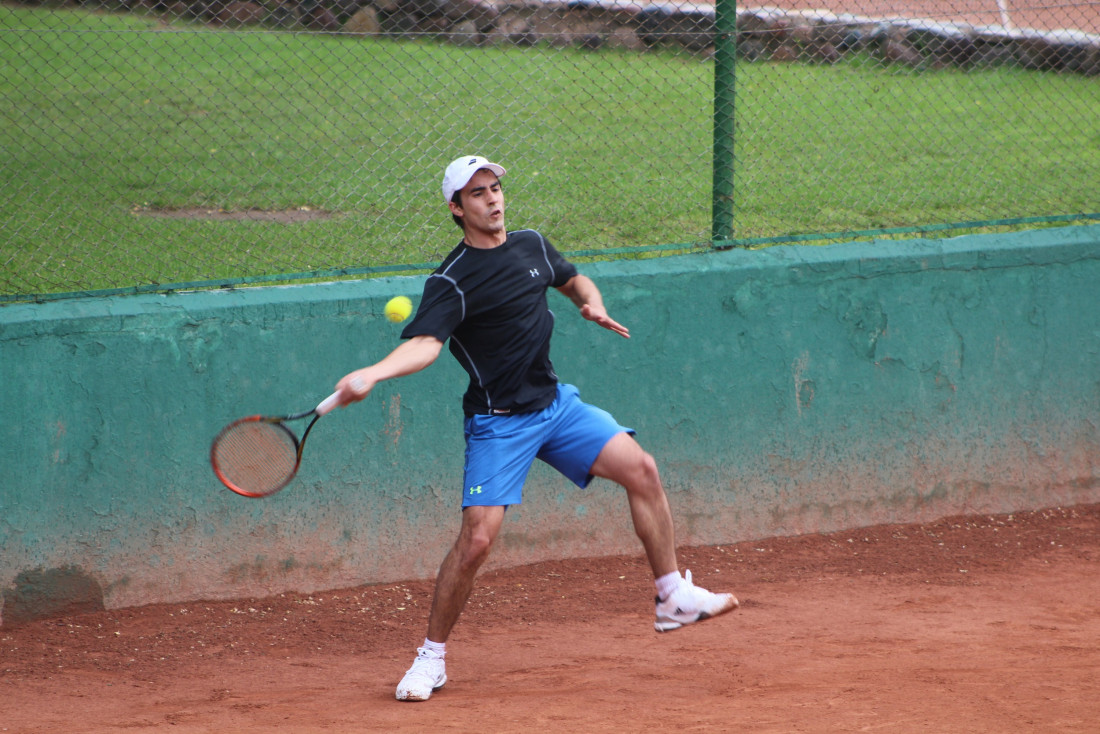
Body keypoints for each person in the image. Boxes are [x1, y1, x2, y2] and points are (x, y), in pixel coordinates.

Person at [334, 155, 738, 702]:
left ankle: (672, 597)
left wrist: (591, 305)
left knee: (641, 469)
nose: (492, 200)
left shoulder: (531, 244)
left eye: (495, 188)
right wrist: (373, 374)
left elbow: (572, 280)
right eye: (477, 194)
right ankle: (431, 657)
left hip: (555, 407)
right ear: (456, 208)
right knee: (477, 541)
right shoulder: (450, 282)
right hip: (499, 424)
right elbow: (426, 344)